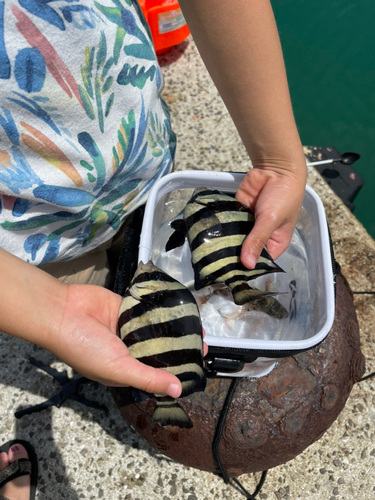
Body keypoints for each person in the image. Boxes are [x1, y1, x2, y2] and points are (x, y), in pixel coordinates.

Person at [0, 1, 306, 498]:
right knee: (107, 330)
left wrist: (278, 160)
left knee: (129, 305)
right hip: (39, 241)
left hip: (142, 167)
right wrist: (48, 313)